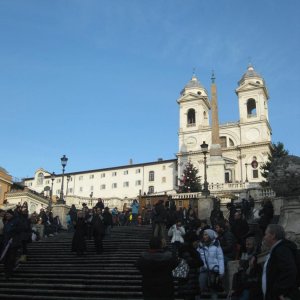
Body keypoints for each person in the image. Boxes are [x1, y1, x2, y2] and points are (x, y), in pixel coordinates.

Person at [262, 224, 300, 300]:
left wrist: (280, 291)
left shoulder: (282, 249)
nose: (264, 237)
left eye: (266, 234)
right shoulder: (277, 250)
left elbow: (290, 270)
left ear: (273, 235)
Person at [197, 229, 225, 300]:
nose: (204, 236)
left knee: (214, 290)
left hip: (213, 271)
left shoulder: (217, 246)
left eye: (206, 234)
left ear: (210, 235)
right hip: (204, 270)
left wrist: (221, 272)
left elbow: (220, 259)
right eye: (204, 235)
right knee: (201, 288)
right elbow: (197, 257)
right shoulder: (200, 246)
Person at [177, 233, 204, 300]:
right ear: (192, 242)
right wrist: (198, 258)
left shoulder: (189, 250)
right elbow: (193, 263)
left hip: (190, 282)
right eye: (197, 242)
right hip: (188, 282)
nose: (198, 243)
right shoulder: (187, 251)